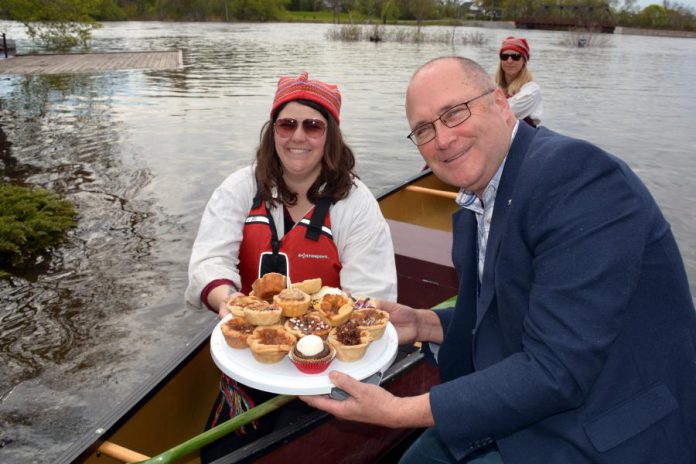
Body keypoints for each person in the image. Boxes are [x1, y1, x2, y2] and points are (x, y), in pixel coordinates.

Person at [301, 56, 696, 464]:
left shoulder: (578, 179)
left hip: (606, 432)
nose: (442, 139)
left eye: (454, 113)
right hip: (541, 410)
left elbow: (555, 370)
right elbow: (509, 314)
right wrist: (424, 323)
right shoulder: (481, 195)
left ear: (501, 104)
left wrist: (398, 411)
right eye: (424, 129)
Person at [185, 71, 397, 461]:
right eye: (287, 124)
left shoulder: (356, 204)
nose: (298, 136)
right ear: (273, 132)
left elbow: (372, 294)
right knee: (219, 456)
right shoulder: (239, 188)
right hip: (251, 362)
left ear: (329, 135)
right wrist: (229, 301)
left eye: (313, 125)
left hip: (327, 373)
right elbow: (209, 259)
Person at [494, 36, 542, 127]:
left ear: (524, 61)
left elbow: (506, 111)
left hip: (522, 139)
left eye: (515, 57)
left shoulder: (532, 90)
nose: (509, 61)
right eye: (504, 56)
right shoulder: (493, 88)